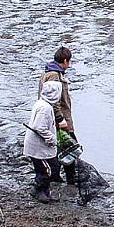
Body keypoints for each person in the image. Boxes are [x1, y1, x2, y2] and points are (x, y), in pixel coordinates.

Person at [24, 80, 70, 203]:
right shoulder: (45, 108)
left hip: (41, 145)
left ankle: (45, 191)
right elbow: (39, 127)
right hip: (39, 147)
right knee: (49, 170)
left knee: (47, 168)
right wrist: (52, 138)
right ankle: (38, 190)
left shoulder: (42, 103)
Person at [37, 47, 76, 184]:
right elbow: (53, 100)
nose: (69, 65)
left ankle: (60, 178)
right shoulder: (54, 75)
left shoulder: (50, 73)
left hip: (56, 120)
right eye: (69, 62)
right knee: (70, 148)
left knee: (61, 148)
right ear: (65, 61)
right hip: (59, 121)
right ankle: (68, 180)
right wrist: (61, 119)